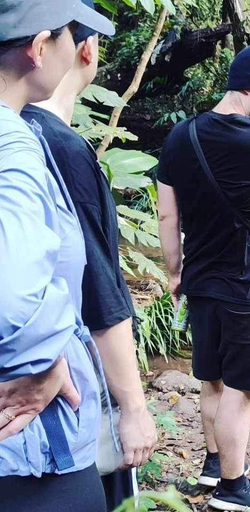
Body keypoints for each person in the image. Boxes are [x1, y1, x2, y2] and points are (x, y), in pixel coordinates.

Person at [20, 1, 158, 508]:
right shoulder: (61, 148)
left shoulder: (17, 132)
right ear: (87, 50)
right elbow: (100, 291)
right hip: (67, 396)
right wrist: (133, 406)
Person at [157, 44, 250, 512]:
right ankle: (234, 489)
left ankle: (214, 464)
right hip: (248, 285)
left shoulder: (180, 135)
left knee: (211, 378)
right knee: (240, 388)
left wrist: (175, 272)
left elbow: (166, 214)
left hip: (199, 280)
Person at [0, 1, 116, 510]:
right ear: (39, 47)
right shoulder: (14, 146)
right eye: (72, 35)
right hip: (28, 454)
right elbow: (11, 293)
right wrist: (44, 364)